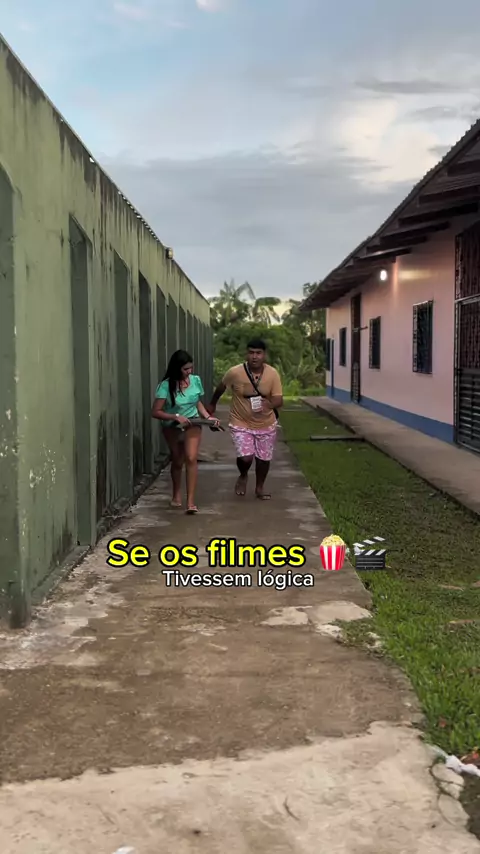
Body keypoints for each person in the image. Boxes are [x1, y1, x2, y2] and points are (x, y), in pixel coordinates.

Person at [206, 338, 283, 500]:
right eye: (251, 353)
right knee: (245, 457)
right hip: (240, 422)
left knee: (263, 459)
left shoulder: (272, 374)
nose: (254, 357)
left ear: (264, 355)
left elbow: (279, 400)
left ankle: (259, 487)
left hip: (266, 423)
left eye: (258, 353)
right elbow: (221, 387)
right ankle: (243, 474)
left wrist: (269, 404)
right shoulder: (235, 372)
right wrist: (212, 404)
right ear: (246, 354)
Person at [152, 349, 220, 514]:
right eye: (185, 369)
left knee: (191, 457)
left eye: (191, 368)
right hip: (172, 426)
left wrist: (207, 417)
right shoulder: (165, 386)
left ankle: (190, 502)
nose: (189, 371)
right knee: (177, 459)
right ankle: (176, 493)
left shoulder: (195, 380)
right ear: (177, 369)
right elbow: (156, 412)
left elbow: (197, 402)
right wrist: (175, 417)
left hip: (193, 423)